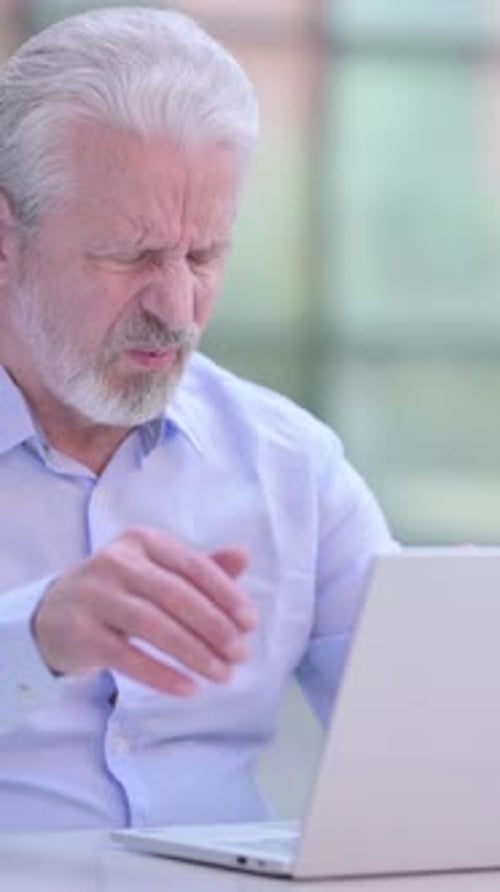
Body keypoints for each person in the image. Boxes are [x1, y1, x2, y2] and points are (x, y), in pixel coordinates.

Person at [0, 6, 394, 832]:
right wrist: (32, 634)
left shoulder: (292, 464)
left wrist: (462, 652)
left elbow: (424, 731)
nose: (176, 308)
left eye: (204, 255)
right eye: (131, 255)